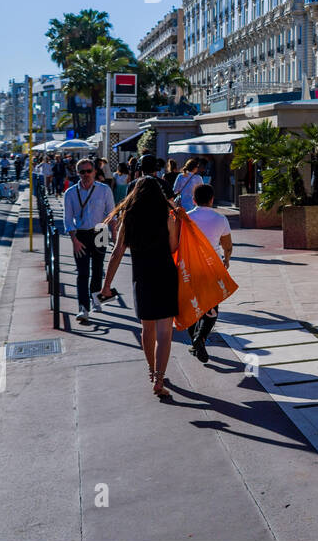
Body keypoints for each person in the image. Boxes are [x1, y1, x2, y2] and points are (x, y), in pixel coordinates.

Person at [98, 177, 181, 397]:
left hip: (142, 276)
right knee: (165, 331)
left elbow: (117, 253)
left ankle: (151, 371)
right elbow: (174, 247)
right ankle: (160, 378)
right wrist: (178, 224)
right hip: (165, 274)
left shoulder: (129, 218)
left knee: (147, 328)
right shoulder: (167, 216)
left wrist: (107, 285)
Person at [64, 158, 117, 323]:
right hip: (80, 234)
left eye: (89, 171)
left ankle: (96, 300)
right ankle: (83, 308)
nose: (86, 174)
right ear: (77, 173)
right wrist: (74, 240)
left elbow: (111, 214)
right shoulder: (71, 193)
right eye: (82, 171)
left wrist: (114, 236)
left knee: (97, 269)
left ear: (94, 172)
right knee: (82, 273)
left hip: (100, 231)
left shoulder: (104, 190)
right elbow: (67, 219)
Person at [185, 184, 232, 363]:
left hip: (190, 268)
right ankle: (201, 338)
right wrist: (226, 260)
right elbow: (227, 246)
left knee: (191, 307)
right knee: (211, 307)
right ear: (212, 199)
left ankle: (196, 340)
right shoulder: (220, 219)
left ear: (194, 200)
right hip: (212, 267)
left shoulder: (186, 219)